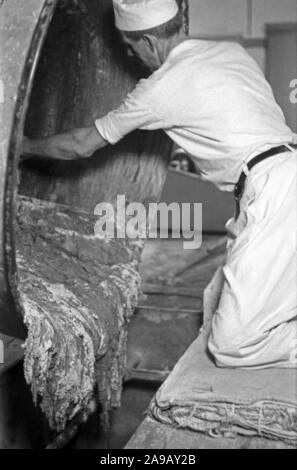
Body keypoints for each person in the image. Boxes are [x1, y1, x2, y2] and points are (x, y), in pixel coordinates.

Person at [22, 0, 297, 369]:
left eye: (130, 46)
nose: (129, 54)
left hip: (276, 190)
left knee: (233, 344)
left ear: (149, 41)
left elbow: (80, 145)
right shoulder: (230, 51)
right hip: (279, 174)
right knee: (216, 298)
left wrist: (20, 147)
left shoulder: (161, 87)